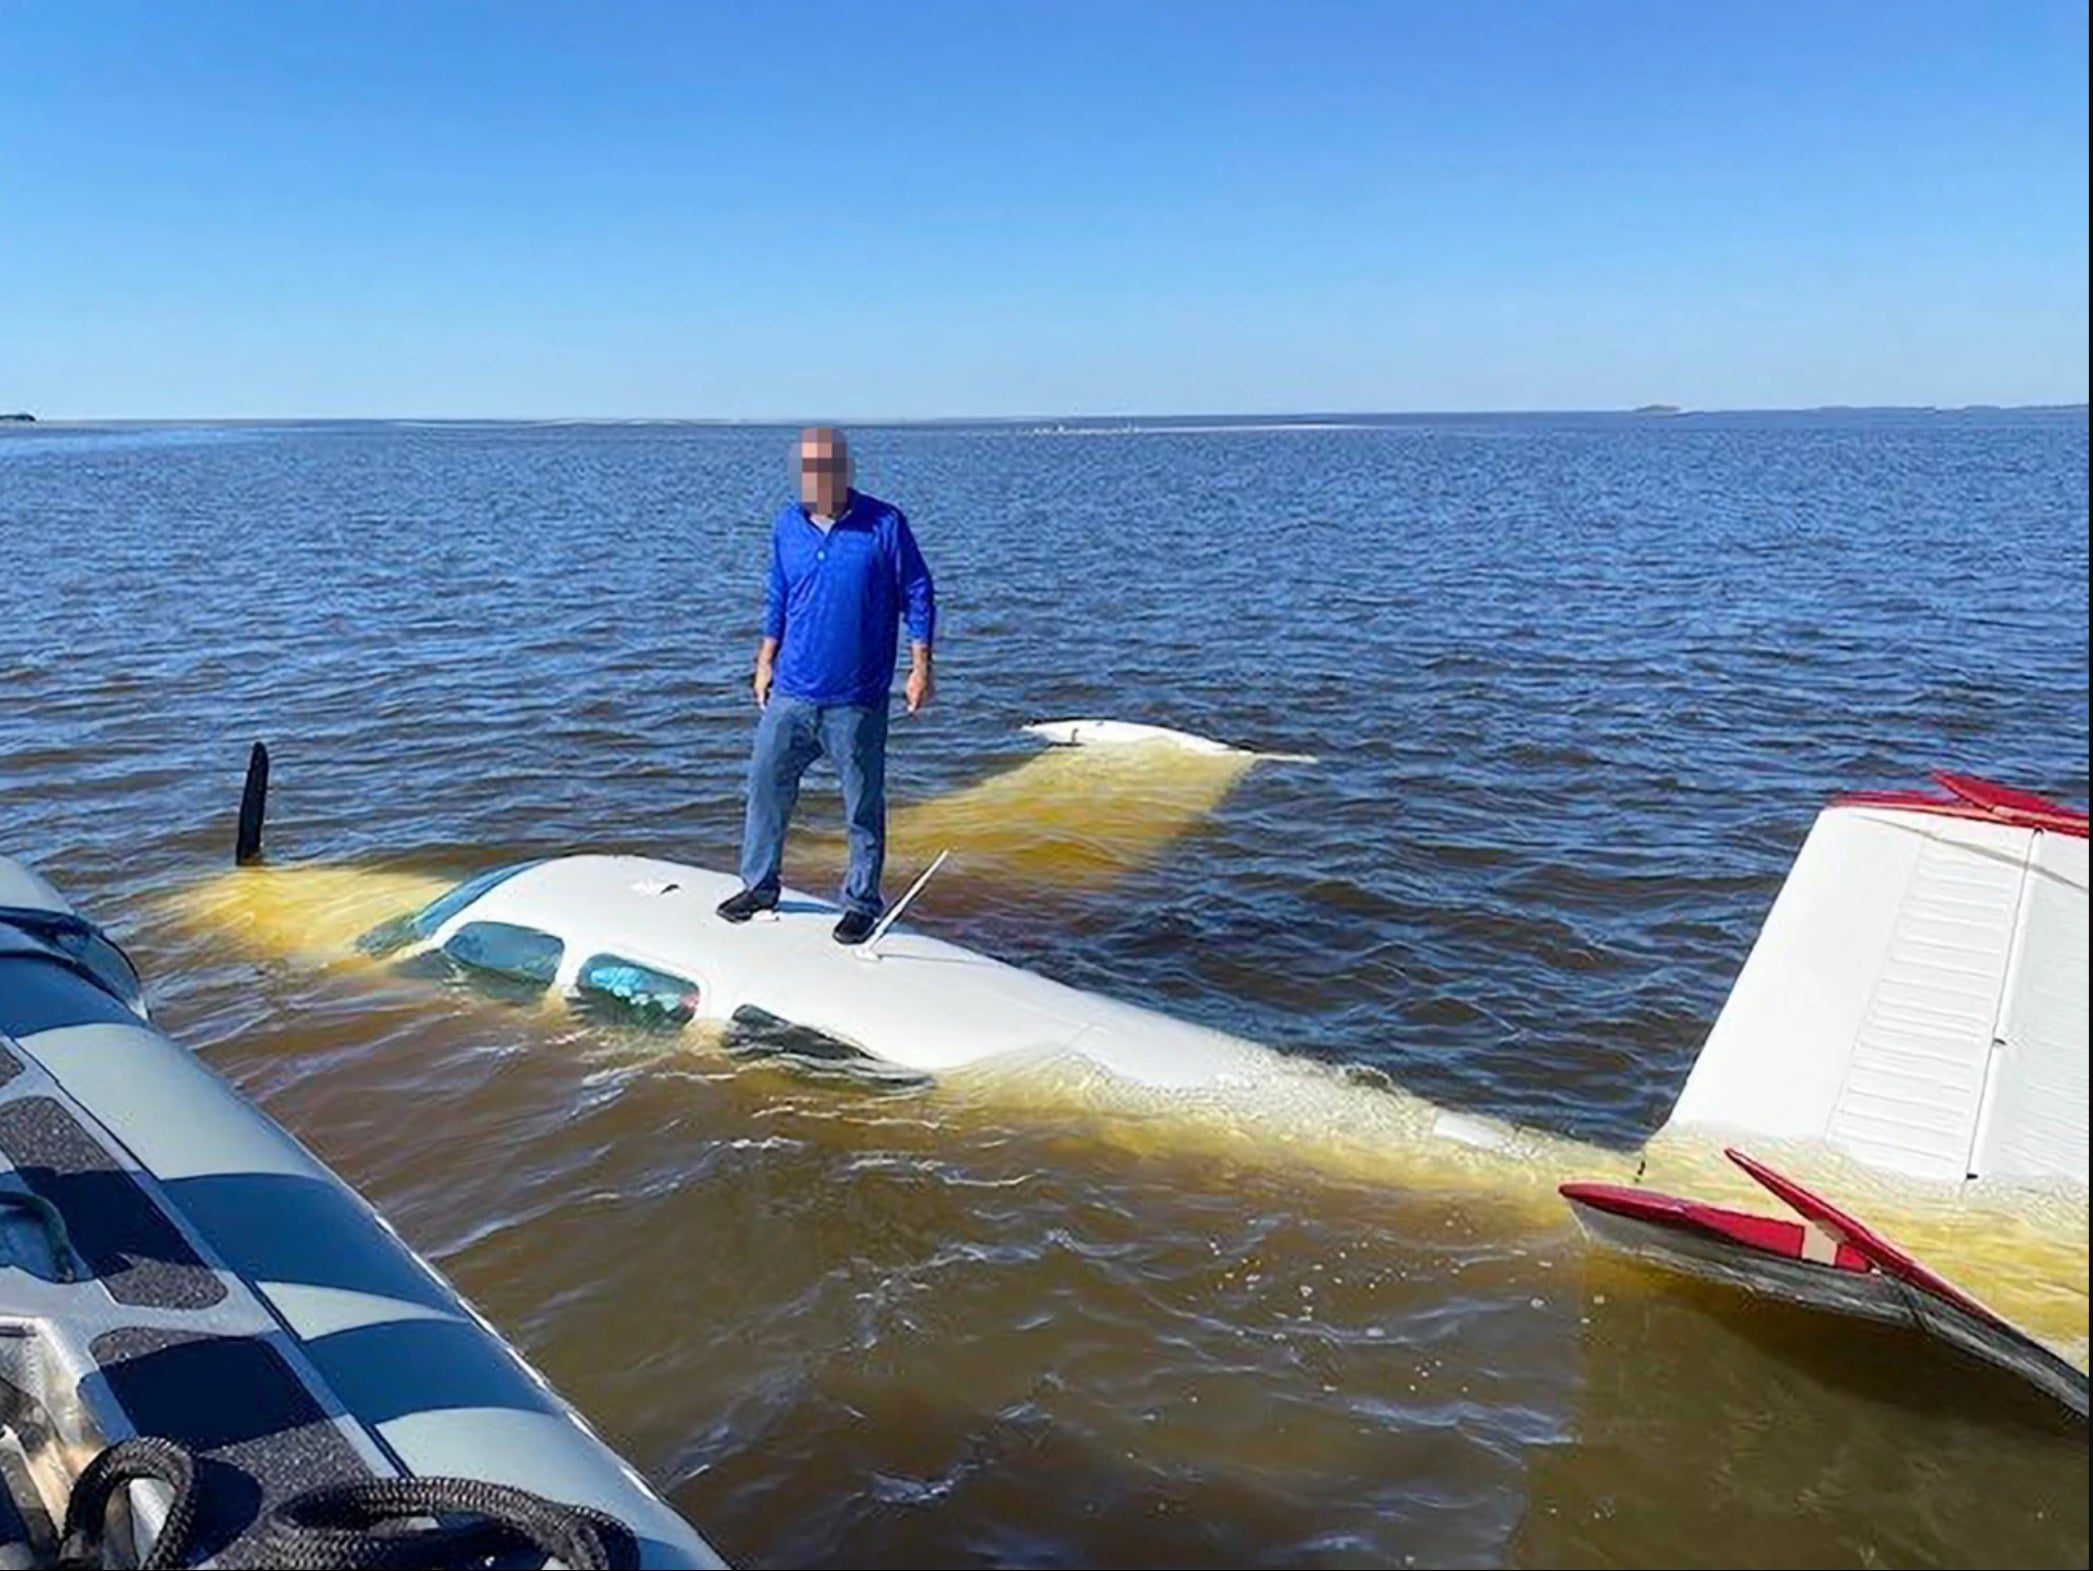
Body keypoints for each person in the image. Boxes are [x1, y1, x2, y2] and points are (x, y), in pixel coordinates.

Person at [716, 426, 937, 943]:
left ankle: (860, 902)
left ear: (843, 470)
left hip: (856, 699)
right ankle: (759, 886)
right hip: (791, 693)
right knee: (765, 789)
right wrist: (765, 660)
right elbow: (779, 593)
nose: (813, 480)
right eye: (805, 470)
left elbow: (918, 592)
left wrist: (921, 667)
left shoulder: (884, 523)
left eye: (823, 469)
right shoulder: (786, 525)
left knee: (862, 805)